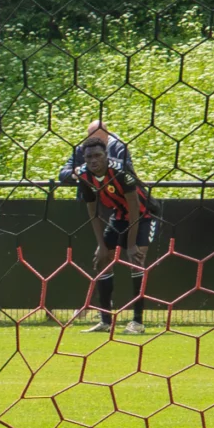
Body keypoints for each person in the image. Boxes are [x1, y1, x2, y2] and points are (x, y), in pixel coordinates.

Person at [76, 136, 160, 336]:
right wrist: (101, 245)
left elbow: (134, 207)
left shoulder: (121, 171)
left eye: (98, 155)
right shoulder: (84, 175)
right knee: (102, 260)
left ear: (106, 155)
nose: (93, 160)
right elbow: (93, 212)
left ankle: (137, 322)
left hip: (144, 215)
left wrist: (130, 245)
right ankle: (105, 320)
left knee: (136, 260)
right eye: (89, 157)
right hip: (120, 215)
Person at [56, 121, 131, 182]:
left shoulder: (118, 147)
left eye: (99, 138)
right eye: (93, 139)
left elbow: (128, 169)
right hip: (88, 193)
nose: (96, 143)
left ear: (107, 135)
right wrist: (77, 173)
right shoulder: (82, 149)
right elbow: (62, 174)